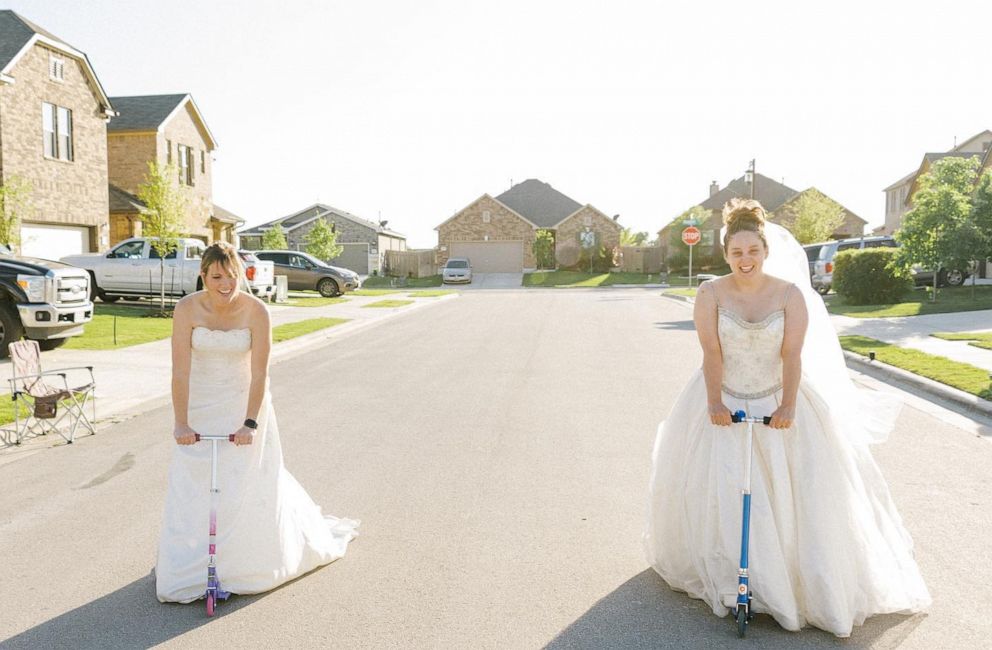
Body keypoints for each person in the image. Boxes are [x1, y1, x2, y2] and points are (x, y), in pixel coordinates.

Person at [644, 199, 930, 637]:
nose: (745, 260)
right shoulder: (710, 294)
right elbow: (712, 354)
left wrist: (789, 406)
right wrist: (715, 403)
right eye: (737, 253)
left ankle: (795, 583)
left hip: (780, 398)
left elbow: (791, 355)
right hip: (725, 400)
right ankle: (739, 581)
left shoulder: (790, 295)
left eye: (752, 251)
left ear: (764, 250)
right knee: (723, 490)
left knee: (799, 495)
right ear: (725, 254)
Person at [156, 242, 358, 603]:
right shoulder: (187, 309)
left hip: (244, 404)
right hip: (201, 405)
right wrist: (181, 423)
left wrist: (250, 422)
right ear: (203, 275)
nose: (225, 283)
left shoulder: (256, 311)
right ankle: (188, 565)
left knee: (243, 485)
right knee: (193, 486)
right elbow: (181, 371)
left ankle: (239, 566)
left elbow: (259, 372)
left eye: (232, 276)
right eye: (217, 276)